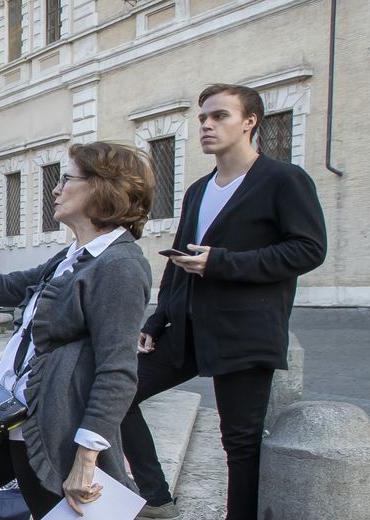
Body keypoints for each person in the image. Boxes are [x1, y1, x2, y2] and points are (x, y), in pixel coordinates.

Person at [0, 141, 155, 518]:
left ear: (102, 188)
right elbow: (0, 289)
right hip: (11, 416)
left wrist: (86, 459)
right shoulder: (72, 256)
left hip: (52, 427)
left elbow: (117, 370)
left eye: (67, 179)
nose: (56, 189)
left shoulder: (120, 266)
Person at [122, 84, 327, 519]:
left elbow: (308, 250)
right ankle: (155, 497)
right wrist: (156, 321)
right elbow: (180, 259)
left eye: (219, 116)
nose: (206, 125)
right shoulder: (198, 189)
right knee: (116, 393)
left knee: (240, 442)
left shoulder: (284, 180)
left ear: (250, 121)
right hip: (188, 328)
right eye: (202, 118)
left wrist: (224, 263)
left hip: (245, 331)